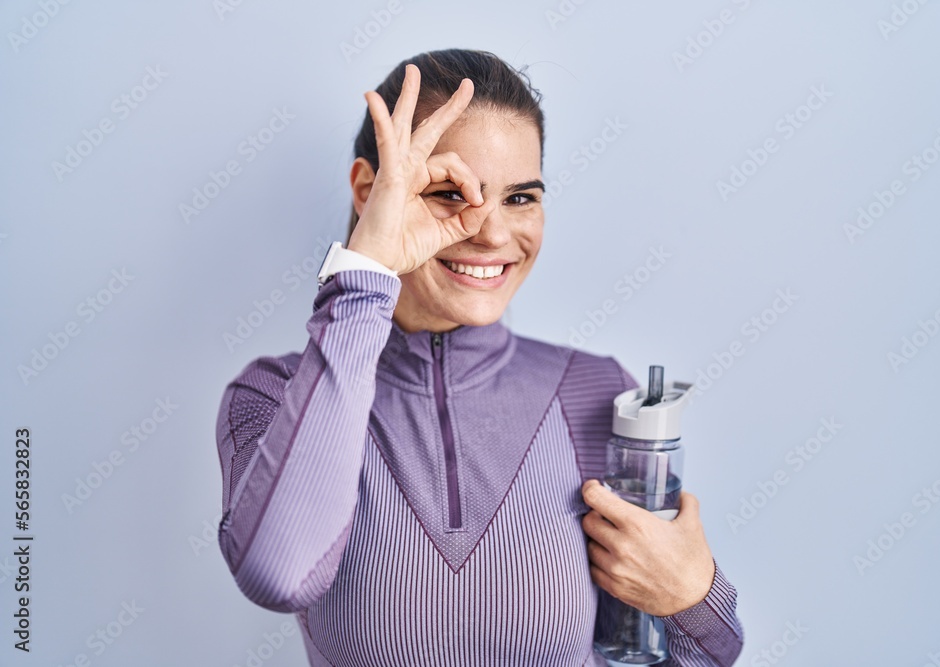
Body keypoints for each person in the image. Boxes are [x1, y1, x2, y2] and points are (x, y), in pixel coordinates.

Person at [214, 48, 743, 666]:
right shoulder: (273, 396)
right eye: (448, 191)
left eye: (521, 198)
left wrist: (693, 598)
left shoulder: (597, 393)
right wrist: (366, 273)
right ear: (369, 191)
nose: (492, 233)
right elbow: (280, 575)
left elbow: (697, 657)